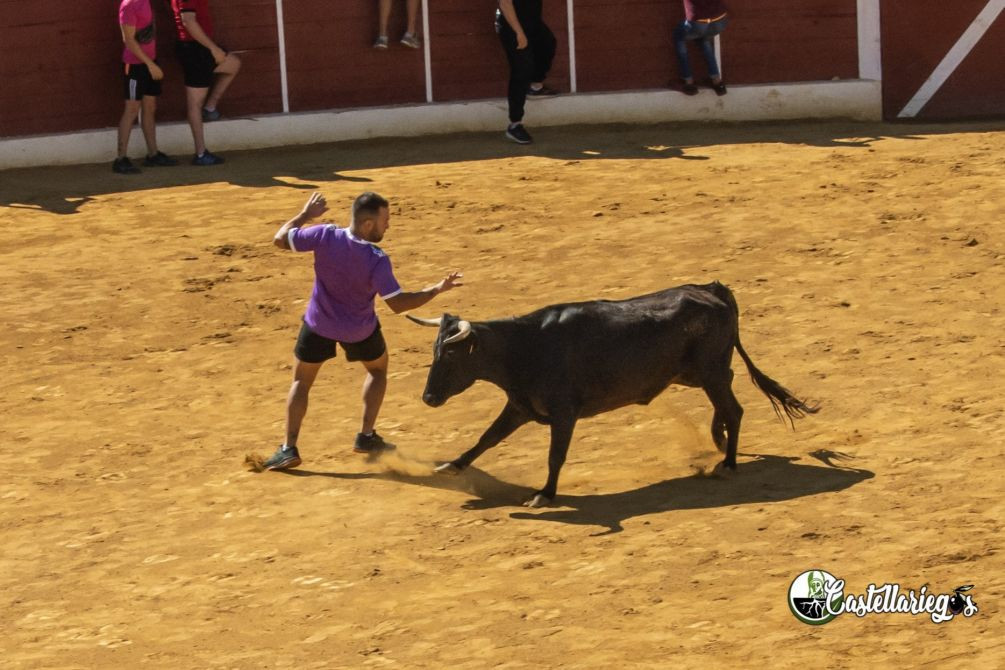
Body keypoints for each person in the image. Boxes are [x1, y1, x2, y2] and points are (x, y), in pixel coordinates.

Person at [262, 192, 464, 471]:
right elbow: (398, 304)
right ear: (368, 224)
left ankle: (288, 448)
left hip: (319, 324)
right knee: (378, 370)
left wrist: (306, 215)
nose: (388, 225)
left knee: (301, 381)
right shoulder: (376, 259)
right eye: (385, 220)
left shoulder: (325, 235)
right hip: (360, 330)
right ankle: (366, 436)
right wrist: (437, 289)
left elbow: (280, 238)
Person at [170, 0, 242, 165]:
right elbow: (188, 21)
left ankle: (210, 108)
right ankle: (201, 153)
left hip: (197, 49)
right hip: (194, 50)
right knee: (194, 103)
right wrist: (213, 49)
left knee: (233, 64)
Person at [114, 0, 178, 174]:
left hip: (150, 62)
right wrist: (150, 65)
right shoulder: (128, 5)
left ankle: (153, 154)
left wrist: (151, 64)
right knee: (132, 110)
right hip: (135, 66)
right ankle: (120, 159)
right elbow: (128, 40)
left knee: (149, 107)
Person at [496, 0, 558, 145]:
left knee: (548, 44)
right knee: (522, 69)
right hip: (511, 25)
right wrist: (519, 33)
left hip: (533, 23)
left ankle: (535, 86)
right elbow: (505, 3)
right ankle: (515, 124)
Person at [672, 0, 729, 96]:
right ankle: (717, 82)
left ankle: (688, 81)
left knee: (679, 38)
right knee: (703, 39)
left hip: (699, 22)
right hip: (720, 20)